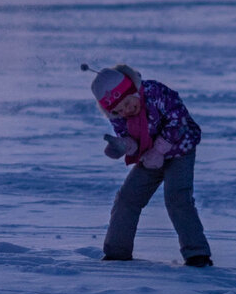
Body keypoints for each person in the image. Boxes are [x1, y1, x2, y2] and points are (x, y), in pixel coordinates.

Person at [89, 64, 212, 266]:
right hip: (149, 156)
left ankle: (197, 254)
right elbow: (130, 138)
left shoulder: (155, 92)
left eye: (127, 103)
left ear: (132, 89)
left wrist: (159, 150)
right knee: (127, 198)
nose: (126, 111)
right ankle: (117, 253)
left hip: (181, 149)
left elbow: (178, 119)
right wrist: (124, 146)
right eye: (119, 110)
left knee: (177, 197)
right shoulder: (119, 116)